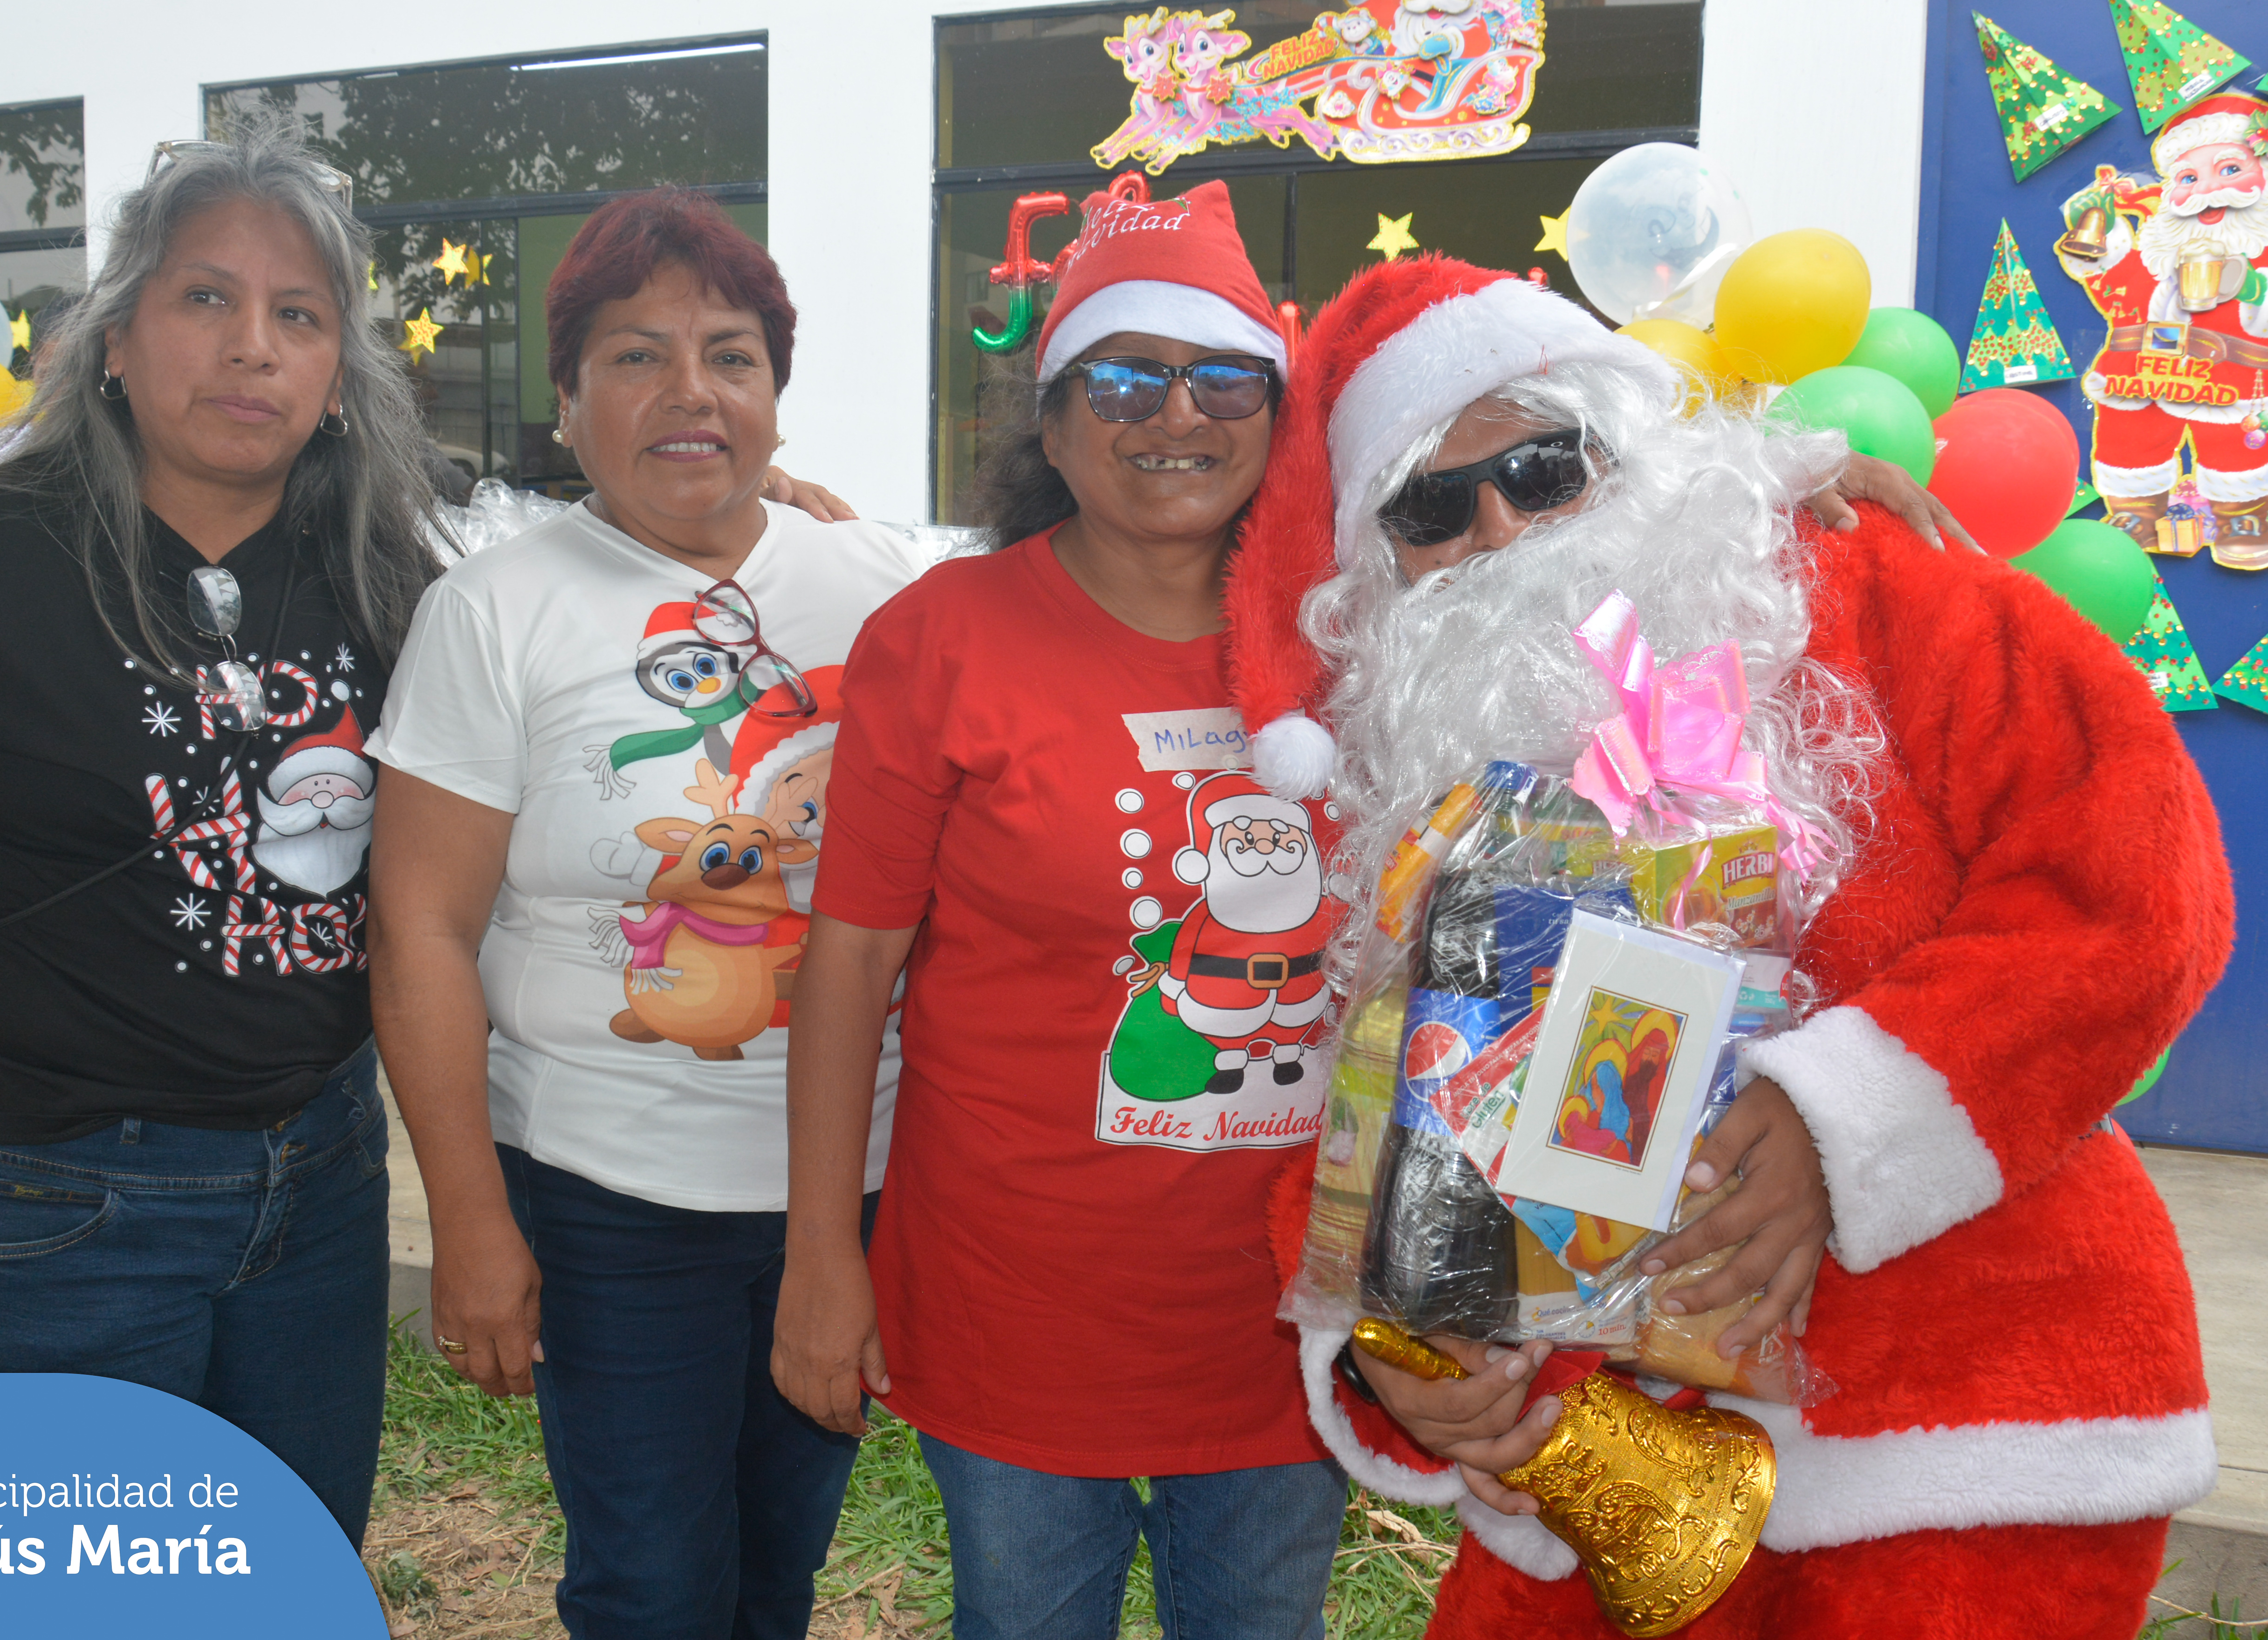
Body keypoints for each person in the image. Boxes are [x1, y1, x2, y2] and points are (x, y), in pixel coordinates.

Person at [774, 183, 1964, 1637]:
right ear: (1055, 410)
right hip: (1015, 1295)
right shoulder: (940, 637)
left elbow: (1601, 569)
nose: (1177, 413)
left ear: (1279, 416)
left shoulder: (1378, 611)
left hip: (1294, 1316)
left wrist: (1784, 487)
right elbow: (851, 961)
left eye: (1222, 376)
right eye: (1126, 374)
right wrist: (821, 1250)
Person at [1221, 253, 2230, 1636]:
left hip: (1959, 1428)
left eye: (1548, 463)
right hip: (1592, 1487)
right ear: (1376, 563)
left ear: (1633, 442)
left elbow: (2132, 879)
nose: (1506, 529)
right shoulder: (1402, 775)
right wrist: (1393, 1358)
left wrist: (1844, 1120)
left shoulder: (1869, 583)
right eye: (1434, 506)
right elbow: (1361, 1112)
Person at [0, 129, 438, 1542]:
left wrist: (748, 506)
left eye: (300, 316)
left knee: (288, 1574)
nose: (254, 347)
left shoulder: (383, 565)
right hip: (55, 1209)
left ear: (339, 370)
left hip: (322, 1185)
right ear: (114, 339)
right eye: (205, 298)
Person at [366, 186, 927, 1640]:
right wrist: (475, 1228)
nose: (690, 390)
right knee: (651, 1585)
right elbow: (420, 931)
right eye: (635, 354)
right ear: (566, 399)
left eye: (731, 355)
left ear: (777, 399)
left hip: (852, 1183)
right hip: (608, 1196)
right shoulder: (497, 608)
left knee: (780, 1565)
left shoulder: (888, 589)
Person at [2056, 88, 2268, 566]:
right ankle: (2135, 511)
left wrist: (2251, 289)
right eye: (2188, 177)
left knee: (2234, 438)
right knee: (2128, 436)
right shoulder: (2160, 251)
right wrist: (2099, 231)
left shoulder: (2260, 246)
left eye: (2229, 169)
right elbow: (2118, 287)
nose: (2207, 190)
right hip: (2144, 369)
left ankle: (2242, 512)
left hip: (2231, 373)